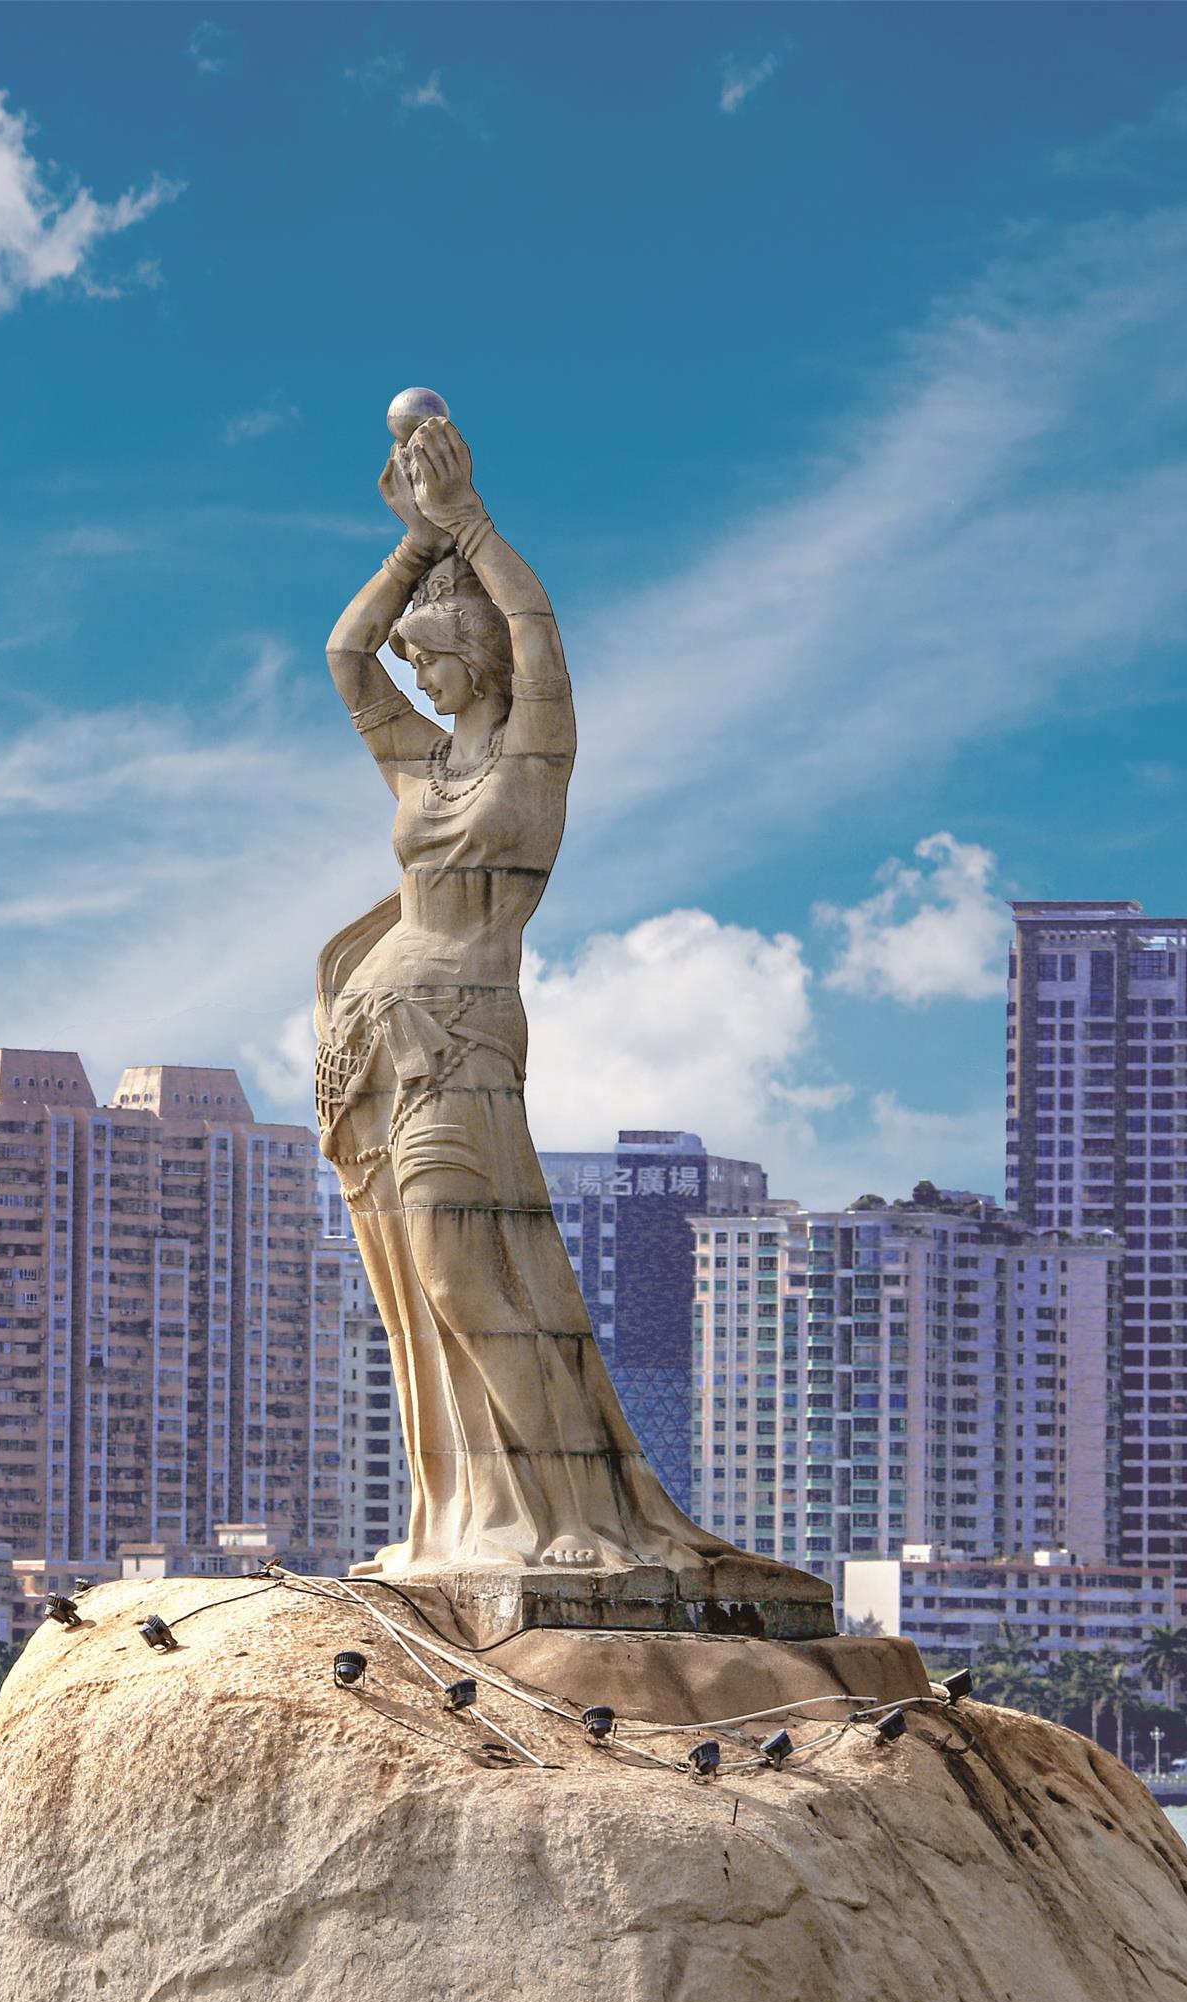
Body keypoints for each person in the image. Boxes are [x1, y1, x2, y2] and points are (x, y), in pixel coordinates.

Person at [316, 411, 760, 1586]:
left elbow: (538, 634)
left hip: (459, 1041)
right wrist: (413, 545)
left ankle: (564, 1514)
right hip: (376, 1051)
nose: (415, 668)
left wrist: (468, 525)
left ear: (480, 653)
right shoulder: (419, 765)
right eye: (416, 653)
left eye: (432, 650)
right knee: (417, 1293)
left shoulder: (531, 761)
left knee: (465, 1275)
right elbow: (344, 656)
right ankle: (480, 1518)